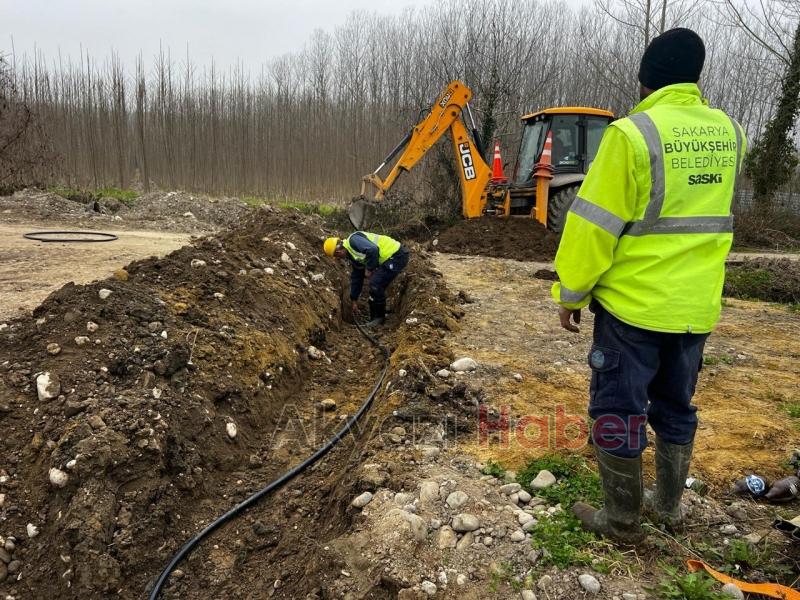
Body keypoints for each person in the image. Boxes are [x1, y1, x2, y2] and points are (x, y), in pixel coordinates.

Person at [551, 28, 746, 544]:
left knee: (617, 410)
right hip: (695, 309)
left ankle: (621, 523)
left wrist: (571, 293)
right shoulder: (731, 133)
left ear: (644, 80)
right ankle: (669, 507)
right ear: (695, 76)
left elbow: (592, 227)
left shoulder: (632, 135)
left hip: (632, 311)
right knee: (677, 407)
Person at [323, 231, 410, 326]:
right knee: (375, 284)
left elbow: (373, 250)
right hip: (389, 258)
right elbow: (357, 276)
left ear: (338, 252)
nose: (339, 258)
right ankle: (374, 317)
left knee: (376, 283)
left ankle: (379, 318)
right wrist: (354, 300)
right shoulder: (352, 255)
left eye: (337, 256)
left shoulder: (353, 240)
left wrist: (369, 269)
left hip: (397, 254)